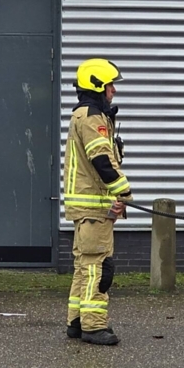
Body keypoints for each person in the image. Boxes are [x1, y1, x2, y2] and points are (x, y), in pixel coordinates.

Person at [63, 59, 132, 345]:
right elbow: (102, 160)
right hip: (95, 208)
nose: (113, 90)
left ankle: (77, 322)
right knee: (98, 268)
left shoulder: (84, 115)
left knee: (84, 267)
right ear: (97, 87)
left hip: (87, 209)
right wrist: (124, 194)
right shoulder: (92, 118)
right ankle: (93, 326)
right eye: (110, 85)